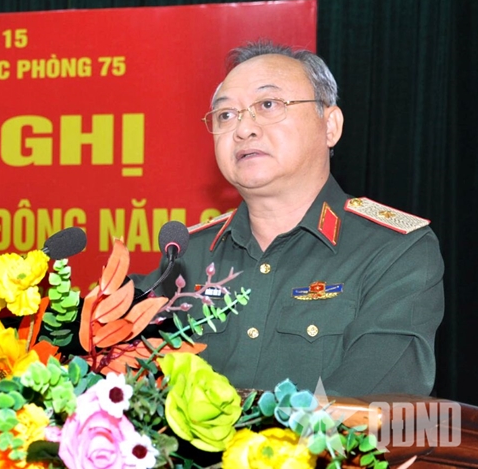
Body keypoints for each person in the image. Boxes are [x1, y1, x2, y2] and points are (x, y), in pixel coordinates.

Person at [138, 40, 444, 397]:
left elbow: (370, 403)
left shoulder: (394, 250)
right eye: (226, 115)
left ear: (330, 126)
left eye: (268, 105)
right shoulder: (187, 254)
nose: (243, 129)